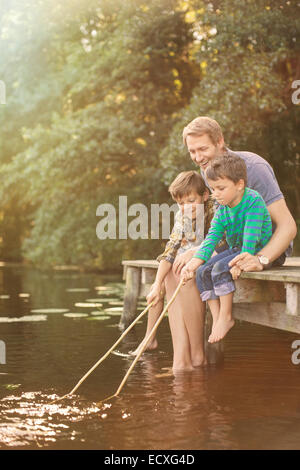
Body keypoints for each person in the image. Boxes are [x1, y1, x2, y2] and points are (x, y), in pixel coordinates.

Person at [181, 116, 297, 273]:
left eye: (203, 149)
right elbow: (220, 225)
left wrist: (260, 259)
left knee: (203, 271)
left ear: (219, 142)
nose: (198, 158)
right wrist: (196, 252)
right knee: (180, 267)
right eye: (192, 151)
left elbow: (287, 227)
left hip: (266, 248)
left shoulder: (254, 168)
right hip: (234, 245)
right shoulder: (207, 170)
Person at [181, 154, 273, 343]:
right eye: (213, 189)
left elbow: (250, 239)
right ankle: (217, 318)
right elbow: (211, 240)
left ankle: (226, 316)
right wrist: (193, 263)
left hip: (258, 250)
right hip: (238, 248)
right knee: (203, 271)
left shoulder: (253, 201)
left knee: (219, 269)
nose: (216, 194)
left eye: (221, 188)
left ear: (239, 185)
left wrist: (240, 263)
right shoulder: (222, 208)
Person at [132, 171, 215, 371]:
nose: (186, 208)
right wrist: (156, 284)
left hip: (211, 257)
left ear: (204, 195)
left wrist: (195, 254)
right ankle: (180, 359)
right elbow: (170, 250)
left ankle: (196, 354)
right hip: (185, 260)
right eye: (181, 203)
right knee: (167, 273)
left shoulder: (215, 208)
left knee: (182, 271)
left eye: (191, 201)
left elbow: (220, 242)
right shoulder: (182, 216)